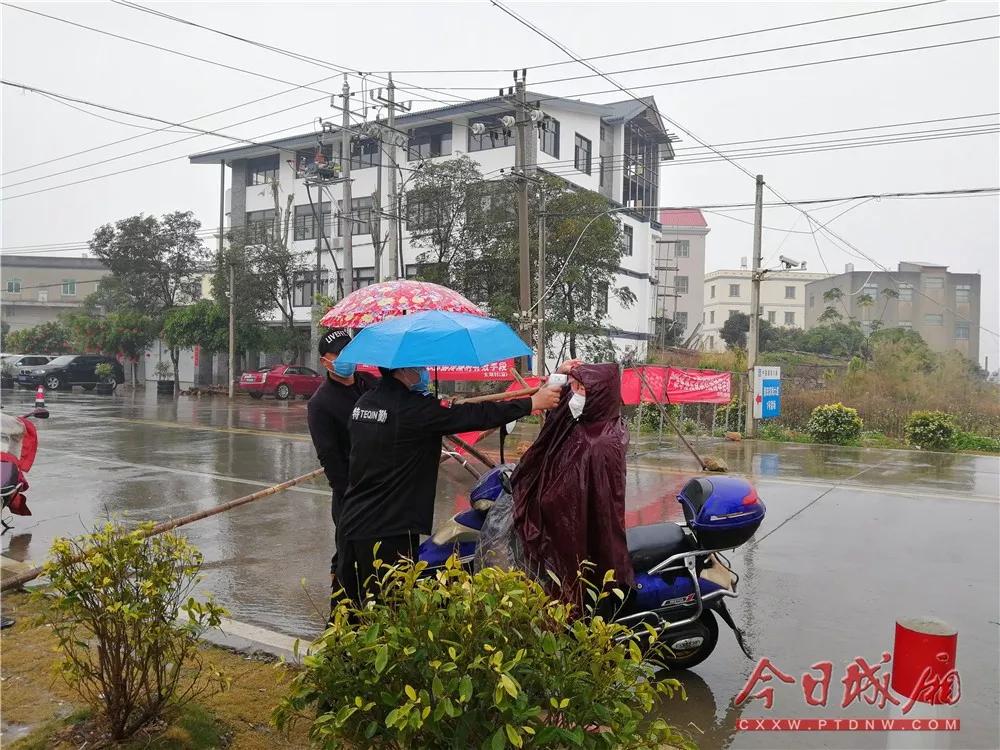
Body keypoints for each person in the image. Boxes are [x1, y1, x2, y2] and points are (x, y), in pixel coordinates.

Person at [336, 366, 561, 605]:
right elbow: (475, 415)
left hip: (353, 518)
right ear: (404, 369)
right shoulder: (413, 408)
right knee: (388, 606)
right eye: (419, 366)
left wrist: (437, 408)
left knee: (348, 605)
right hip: (389, 527)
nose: (423, 371)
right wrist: (531, 403)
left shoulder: (365, 403)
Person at [512, 362, 633, 611]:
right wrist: (562, 372)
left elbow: (571, 499)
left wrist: (542, 500)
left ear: (598, 393)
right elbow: (555, 413)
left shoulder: (600, 443)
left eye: (581, 388)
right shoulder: (584, 417)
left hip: (584, 532)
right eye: (574, 386)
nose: (574, 393)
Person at [306, 329, 376, 585]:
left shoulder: (369, 383)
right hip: (352, 493)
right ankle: (341, 617)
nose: (347, 357)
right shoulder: (320, 404)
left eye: (350, 350)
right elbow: (330, 459)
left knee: (379, 560)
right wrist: (351, 496)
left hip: (381, 485)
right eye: (340, 353)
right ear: (325, 361)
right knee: (349, 558)